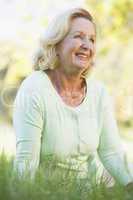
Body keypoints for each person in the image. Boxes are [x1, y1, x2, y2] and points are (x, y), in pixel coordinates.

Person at [13, 7, 133, 187]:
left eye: (92, 39)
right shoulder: (33, 88)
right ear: (57, 44)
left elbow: (111, 153)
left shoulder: (99, 93)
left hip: (89, 193)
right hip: (47, 194)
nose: (87, 45)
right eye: (78, 36)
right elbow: (26, 161)